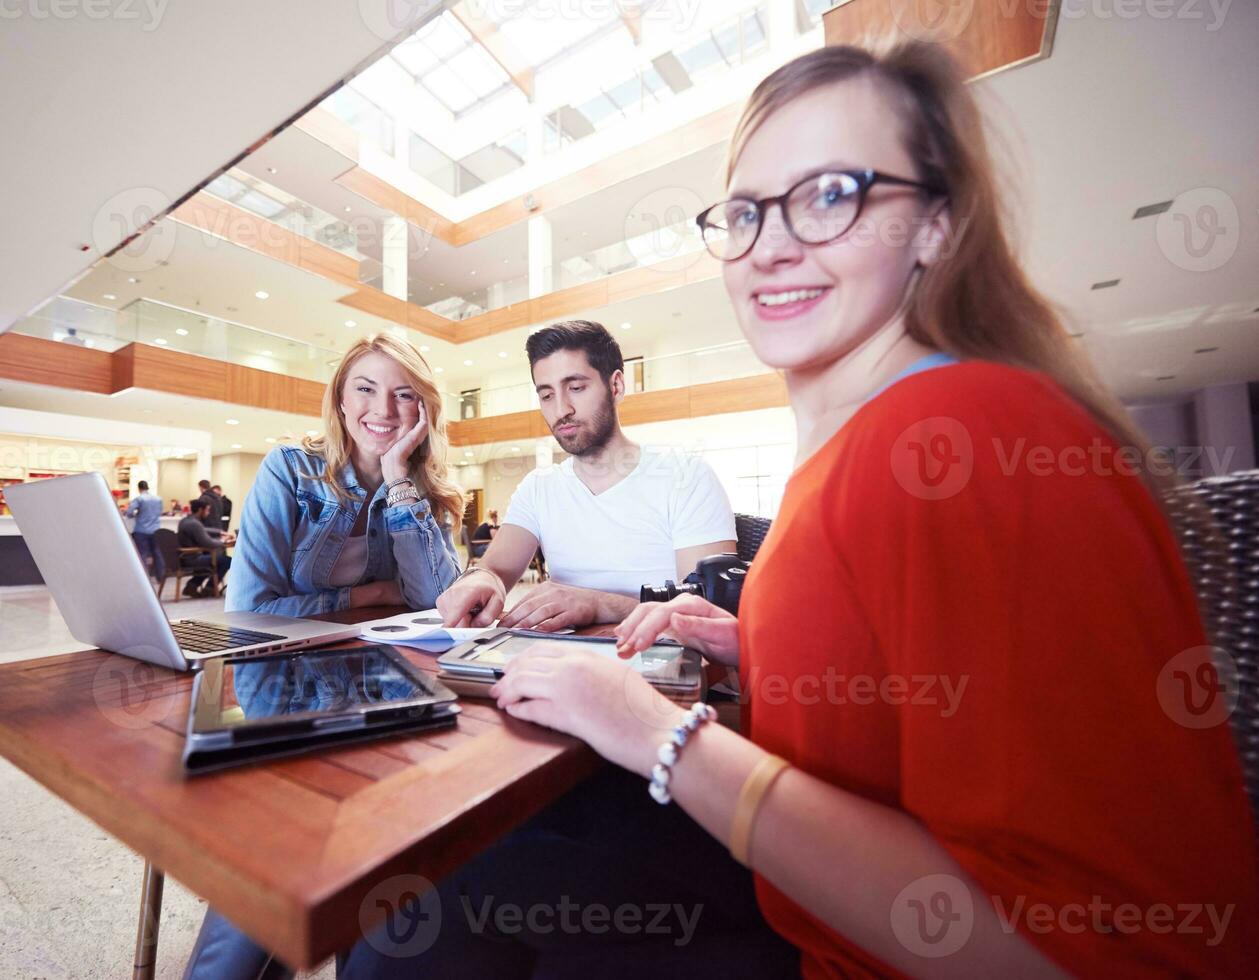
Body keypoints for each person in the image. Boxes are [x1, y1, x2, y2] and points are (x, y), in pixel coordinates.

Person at [343, 40, 1258, 977]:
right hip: (812, 899)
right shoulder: (869, 449)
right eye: (745, 211)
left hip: (842, 948)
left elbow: (1110, 949)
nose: (772, 242)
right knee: (451, 853)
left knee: (423, 895)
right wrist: (757, 644)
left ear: (935, 224)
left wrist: (652, 730)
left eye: (832, 194)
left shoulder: (962, 438)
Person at [437, 320, 736, 631]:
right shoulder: (539, 488)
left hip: (658, 666)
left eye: (576, 388)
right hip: (557, 663)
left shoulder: (685, 477)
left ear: (616, 385)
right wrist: (481, 581)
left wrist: (598, 604)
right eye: (547, 395)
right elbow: (493, 570)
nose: (561, 409)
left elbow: (709, 612)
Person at [177, 496, 232, 597]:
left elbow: (204, 530)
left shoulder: (186, 521)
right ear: (200, 510)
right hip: (192, 558)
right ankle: (209, 588)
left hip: (185, 557)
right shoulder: (194, 524)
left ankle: (192, 586)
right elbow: (208, 543)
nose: (208, 513)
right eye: (207, 510)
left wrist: (219, 532)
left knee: (213, 562)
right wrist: (223, 541)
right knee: (226, 560)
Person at [124, 479, 164, 585]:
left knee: (142, 554)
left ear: (139, 488)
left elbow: (129, 512)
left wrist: (135, 515)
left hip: (141, 530)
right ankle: (161, 576)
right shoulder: (158, 499)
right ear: (148, 487)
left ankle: (145, 579)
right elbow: (160, 512)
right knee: (157, 553)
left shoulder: (139, 499)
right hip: (156, 529)